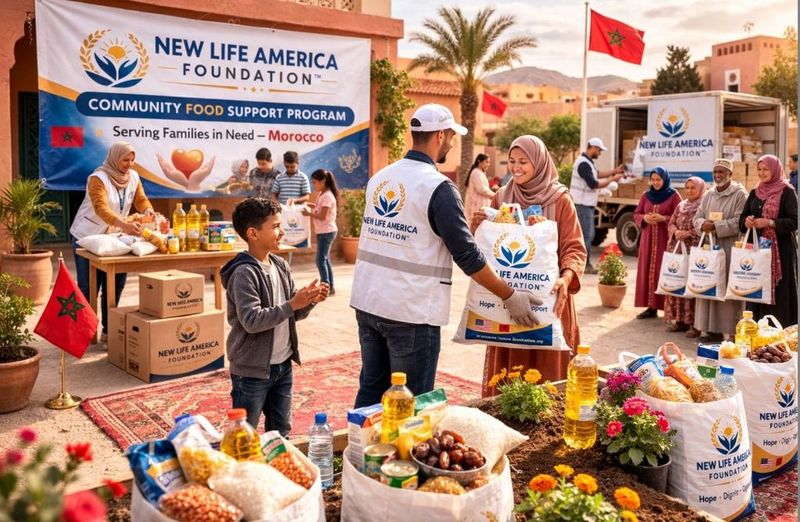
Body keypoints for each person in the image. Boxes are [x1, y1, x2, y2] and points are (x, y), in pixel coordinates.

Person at [350, 104, 540, 408]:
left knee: (371, 393)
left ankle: (360, 453)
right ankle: (402, 456)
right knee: (412, 404)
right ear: (440, 135)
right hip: (410, 313)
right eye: (451, 137)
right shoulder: (437, 187)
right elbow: (467, 256)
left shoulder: (380, 179)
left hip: (368, 302)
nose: (451, 144)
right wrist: (509, 295)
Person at [470, 136, 586, 391]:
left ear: (540, 162)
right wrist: (478, 226)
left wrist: (566, 278)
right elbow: (486, 247)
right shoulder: (502, 197)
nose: (516, 167)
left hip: (550, 297)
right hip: (509, 298)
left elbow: (574, 247)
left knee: (549, 375)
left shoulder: (560, 200)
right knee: (508, 371)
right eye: (512, 161)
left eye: (524, 161)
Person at [220, 198, 328, 436]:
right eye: (276, 226)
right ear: (252, 233)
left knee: (280, 432)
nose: (282, 232)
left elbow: (292, 314)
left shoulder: (280, 265)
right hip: (251, 372)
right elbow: (252, 320)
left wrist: (310, 301)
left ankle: (277, 471)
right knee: (244, 435)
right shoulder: (244, 273)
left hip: (283, 366)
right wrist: (293, 303)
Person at [70, 142, 154, 342]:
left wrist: (147, 210)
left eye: (132, 160)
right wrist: (124, 225)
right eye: (125, 159)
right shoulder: (98, 178)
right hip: (86, 236)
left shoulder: (133, 177)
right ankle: (87, 332)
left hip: (114, 238)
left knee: (115, 284)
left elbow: (140, 199)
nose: (129, 164)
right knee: (88, 287)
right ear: (114, 158)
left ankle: (110, 330)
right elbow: (100, 208)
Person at [739, 155, 798, 328]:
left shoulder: (787, 191)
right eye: (759, 169)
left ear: (775, 170)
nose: (762, 173)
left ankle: (779, 332)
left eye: (766, 169)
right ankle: (756, 330)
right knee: (756, 288)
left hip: (781, 250)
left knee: (781, 293)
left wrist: (770, 222)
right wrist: (747, 221)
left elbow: (795, 221)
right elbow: (742, 219)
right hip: (757, 251)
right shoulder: (755, 192)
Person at [693, 159, 748, 342]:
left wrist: (716, 226)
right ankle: (707, 329)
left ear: (730, 174)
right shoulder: (708, 194)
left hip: (729, 247)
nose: (718, 175)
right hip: (709, 247)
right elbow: (697, 218)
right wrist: (703, 225)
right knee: (707, 284)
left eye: (722, 172)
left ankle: (728, 331)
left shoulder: (740, 194)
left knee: (726, 290)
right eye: (715, 172)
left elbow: (740, 222)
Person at [569, 138, 624, 274]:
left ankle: (581, 264)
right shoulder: (583, 164)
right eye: (599, 150)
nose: (600, 153)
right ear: (593, 148)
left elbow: (597, 174)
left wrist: (613, 171)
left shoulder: (587, 163)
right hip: (581, 204)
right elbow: (593, 183)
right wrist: (613, 179)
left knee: (587, 235)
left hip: (585, 203)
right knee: (587, 235)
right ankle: (584, 265)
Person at [633, 166, 682, 319]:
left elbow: (681, 216)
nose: (655, 182)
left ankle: (668, 308)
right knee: (648, 270)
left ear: (665, 179)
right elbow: (636, 214)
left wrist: (664, 218)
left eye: (658, 179)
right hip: (647, 240)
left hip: (665, 241)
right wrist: (644, 218)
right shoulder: (645, 195)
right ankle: (651, 307)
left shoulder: (674, 196)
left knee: (665, 271)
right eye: (653, 179)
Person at [663, 177, 706, 337]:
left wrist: (689, 233)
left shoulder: (703, 205)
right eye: (687, 187)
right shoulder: (681, 205)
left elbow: (704, 226)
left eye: (693, 188)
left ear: (701, 189)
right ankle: (679, 321)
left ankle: (694, 324)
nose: (689, 191)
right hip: (678, 249)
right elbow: (671, 223)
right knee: (677, 283)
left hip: (694, 251)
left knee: (692, 286)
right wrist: (676, 232)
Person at [302, 169, 338, 295]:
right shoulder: (322, 194)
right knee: (325, 259)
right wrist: (309, 205)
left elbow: (323, 215)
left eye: (315, 182)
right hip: (323, 231)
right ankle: (329, 285)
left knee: (320, 260)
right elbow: (319, 208)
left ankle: (325, 286)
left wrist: (308, 213)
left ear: (323, 181)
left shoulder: (328, 196)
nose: (313, 185)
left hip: (327, 232)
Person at [463, 153, 494, 222]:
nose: (488, 165)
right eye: (486, 162)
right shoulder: (476, 172)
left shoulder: (480, 172)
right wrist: (495, 194)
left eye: (489, 162)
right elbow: (482, 189)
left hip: (481, 204)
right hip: (477, 205)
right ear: (479, 161)